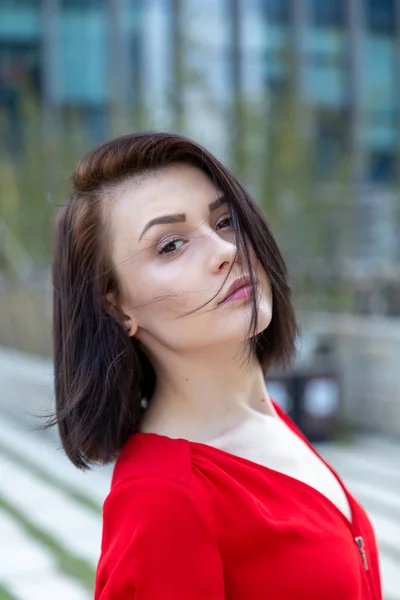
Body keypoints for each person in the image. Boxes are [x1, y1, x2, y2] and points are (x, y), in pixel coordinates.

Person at [50, 132, 382, 599]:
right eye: (170, 245)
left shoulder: (263, 419)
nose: (227, 251)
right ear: (119, 309)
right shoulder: (164, 501)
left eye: (225, 221)